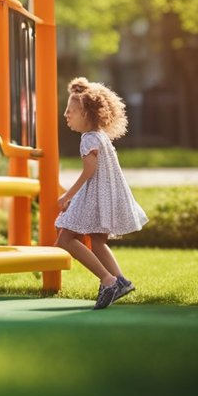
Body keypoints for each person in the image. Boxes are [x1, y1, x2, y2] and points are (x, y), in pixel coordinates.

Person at [55, 77, 148, 310]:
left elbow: (90, 170)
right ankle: (121, 281)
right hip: (105, 197)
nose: (66, 115)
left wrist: (68, 195)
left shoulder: (88, 139)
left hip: (95, 198)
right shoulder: (101, 137)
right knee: (97, 241)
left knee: (65, 239)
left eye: (70, 111)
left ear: (86, 113)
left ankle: (108, 281)